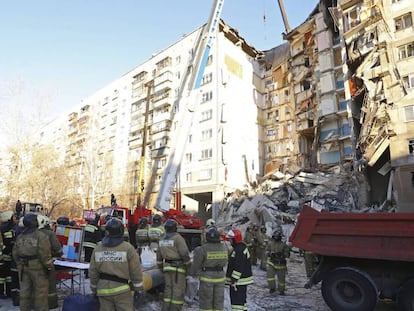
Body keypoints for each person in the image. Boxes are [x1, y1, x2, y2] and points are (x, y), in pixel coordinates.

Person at [89, 217, 143, 311]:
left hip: (103, 290)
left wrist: (94, 290)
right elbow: (135, 270)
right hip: (122, 291)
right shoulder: (128, 248)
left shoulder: (98, 248)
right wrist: (138, 289)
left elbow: (93, 272)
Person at [12, 213, 53, 311]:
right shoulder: (41, 236)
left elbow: (15, 253)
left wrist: (19, 264)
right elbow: (44, 254)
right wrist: (49, 267)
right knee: (41, 294)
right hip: (38, 269)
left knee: (24, 293)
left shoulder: (20, 236)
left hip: (23, 268)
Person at [189, 227, 228, 311]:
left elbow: (196, 264)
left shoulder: (202, 249)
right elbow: (225, 262)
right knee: (218, 302)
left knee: (206, 302)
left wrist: (191, 273)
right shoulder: (224, 247)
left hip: (207, 278)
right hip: (220, 278)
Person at [156, 219, 191, 311]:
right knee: (178, 290)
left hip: (167, 267)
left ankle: (165, 308)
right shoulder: (177, 238)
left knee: (168, 289)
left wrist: (161, 268)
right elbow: (184, 253)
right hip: (178, 268)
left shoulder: (161, 238)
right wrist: (188, 265)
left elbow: (159, 256)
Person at [38, 215, 63, 309]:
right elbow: (57, 249)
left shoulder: (28, 233)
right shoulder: (49, 233)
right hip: (47, 263)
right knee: (51, 285)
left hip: (32, 264)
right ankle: (51, 304)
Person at [226, 229, 253, 311]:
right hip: (241, 281)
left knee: (237, 303)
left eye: (231, 239)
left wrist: (234, 280)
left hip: (239, 281)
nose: (229, 241)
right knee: (242, 302)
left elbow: (238, 267)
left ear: (235, 239)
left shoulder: (239, 250)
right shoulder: (240, 247)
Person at [266, 228, 290, 295]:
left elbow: (287, 254)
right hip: (271, 263)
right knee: (270, 277)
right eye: (275, 236)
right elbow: (267, 250)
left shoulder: (283, 245)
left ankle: (281, 290)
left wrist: (282, 255)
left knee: (281, 279)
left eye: (278, 236)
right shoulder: (270, 243)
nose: (276, 237)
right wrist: (270, 254)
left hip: (281, 264)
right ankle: (272, 288)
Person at [0, 210, 15, 300]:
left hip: (4, 256)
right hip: (6, 256)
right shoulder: (7, 228)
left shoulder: (3, 227)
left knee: (4, 276)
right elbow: (9, 242)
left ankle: (2, 292)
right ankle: (7, 292)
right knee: (6, 276)